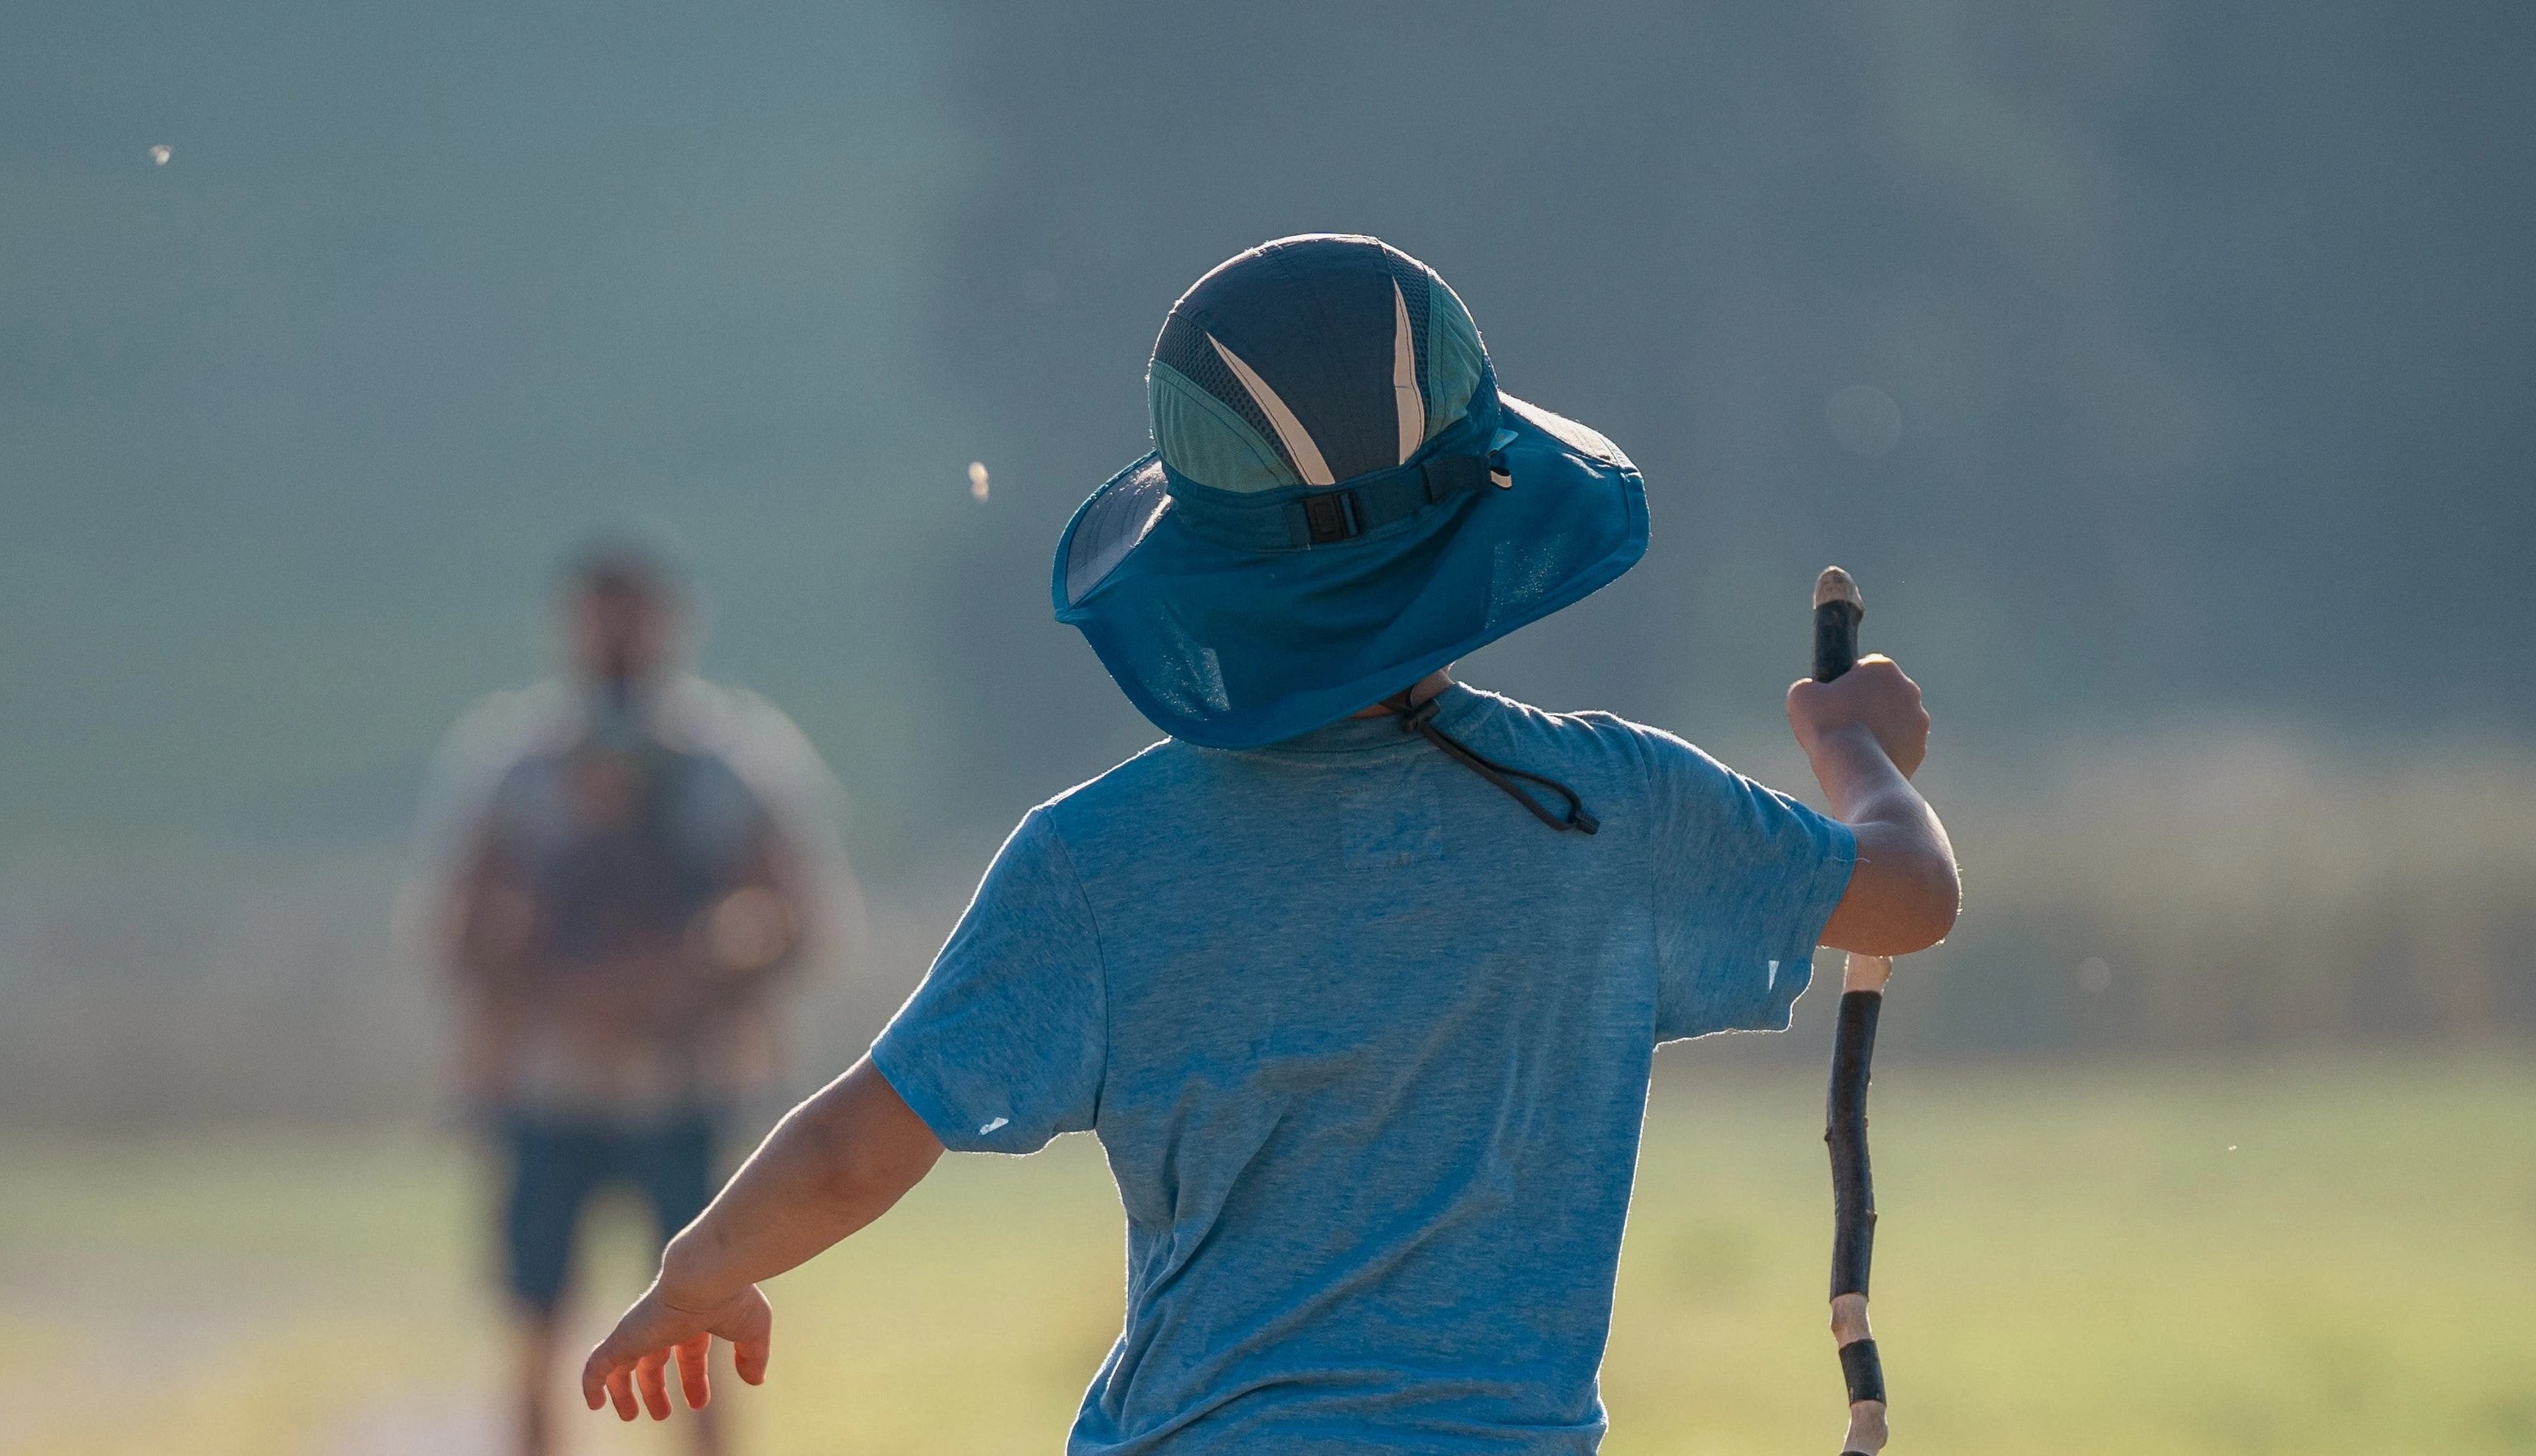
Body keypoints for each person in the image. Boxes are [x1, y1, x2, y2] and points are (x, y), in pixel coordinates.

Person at [576, 236, 1960, 1453]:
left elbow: (853, 1149)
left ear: (1210, 567)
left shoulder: (1092, 863)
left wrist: (704, 1269)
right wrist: (1851, 751)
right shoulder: (1612, 807)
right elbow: (1907, 898)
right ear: (1488, 508)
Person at [413, 540, 853, 1456]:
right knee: (536, 1323)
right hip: (549, 1081)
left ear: (671, 624)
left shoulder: (733, 762)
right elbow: (454, 926)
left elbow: (801, 917)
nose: (617, 637)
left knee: (704, 1313)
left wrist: (693, 974)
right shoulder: (516, 766)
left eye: (634, 614)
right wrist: (557, 982)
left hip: (682, 1081)